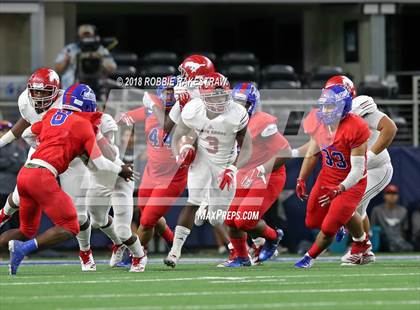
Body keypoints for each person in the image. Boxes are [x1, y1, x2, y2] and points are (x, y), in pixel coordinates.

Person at [2, 88, 134, 275]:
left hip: (28, 170)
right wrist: (121, 170)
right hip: (46, 174)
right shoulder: (84, 124)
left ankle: (87, 253)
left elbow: (26, 134)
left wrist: (47, 144)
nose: (39, 98)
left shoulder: (53, 114)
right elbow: (102, 161)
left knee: (26, 229)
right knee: (71, 225)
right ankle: (23, 249)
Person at [164, 72, 252, 268]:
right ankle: (175, 252)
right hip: (202, 159)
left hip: (224, 163)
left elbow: (246, 148)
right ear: (203, 96)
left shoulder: (237, 113)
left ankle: (246, 251)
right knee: (192, 202)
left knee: (217, 219)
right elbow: (177, 136)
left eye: (222, 95)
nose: (219, 100)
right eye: (214, 96)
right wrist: (182, 151)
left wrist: (233, 168)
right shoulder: (193, 110)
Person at [58, 84, 145, 273]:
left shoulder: (103, 121)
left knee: (123, 230)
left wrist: (93, 133)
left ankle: (139, 256)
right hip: (98, 178)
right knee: (96, 221)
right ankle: (118, 244)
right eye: (68, 111)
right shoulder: (65, 122)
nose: (70, 116)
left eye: (75, 112)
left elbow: (110, 156)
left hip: (117, 176)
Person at [294, 85, 373, 268]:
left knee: (329, 227)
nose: (325, 111)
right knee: (312, 221)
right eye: (323, 106)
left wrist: (339, 189)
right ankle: (360, 239)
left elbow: (357, 170)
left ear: (343, 106)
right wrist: (301, 178)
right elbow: (312, 152)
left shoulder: (356, 126)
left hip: (352, 183)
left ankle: (309, 257)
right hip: (327, 177)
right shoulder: (318, 120)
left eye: (330, 106)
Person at [323, 76, 397, 263]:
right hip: (358, 172)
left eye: (337, 91)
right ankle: (366, 250)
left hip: (377, 168)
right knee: (359, 211)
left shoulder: (359, 106)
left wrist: (369, 156)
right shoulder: (330, 114)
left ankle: (360, 248)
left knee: (347, 206)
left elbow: (389, 128)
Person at [219, 83, 290, 267]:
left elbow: (285, 152)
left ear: (252, 105)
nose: (238, 109)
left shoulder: (261, 122)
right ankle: (241, 257)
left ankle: (273, 237)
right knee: (230, 220)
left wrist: (261, 170)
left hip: (269, 174)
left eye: (243, 104)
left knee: (244, 219)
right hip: (245, 171)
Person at [117, 76, 187, 254]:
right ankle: (172, 241)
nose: (170, 94)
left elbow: (166, 126)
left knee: (147, 220)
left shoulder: (187, 112)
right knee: (147, 215)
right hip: (151, 172)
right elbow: (124, 118)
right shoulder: (150, 109)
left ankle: (135, 255)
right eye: (166, 91)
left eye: (173, 90)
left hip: (172, 176)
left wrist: (154, 106)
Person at [0, 68, 63, 229]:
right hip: (41, 148)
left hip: (67, 151)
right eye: (36, 92)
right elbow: (21, 128)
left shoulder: (65, 103)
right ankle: (2, 215)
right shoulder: (25, 102)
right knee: (20, 192)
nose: (40, 97)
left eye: (45, 92)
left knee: (78, 208)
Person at [54, 24, 116, 91]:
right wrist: (67, 60)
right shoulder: (70, 49)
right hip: (72, 89)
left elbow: (112, 69)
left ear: (93, 35)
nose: (86, 37)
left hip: (96, 88)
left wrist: (100, 58)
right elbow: (58, 69)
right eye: (84, 35)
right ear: (79, 36)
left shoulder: (101, 50)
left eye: (88, 35)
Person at [370, 185, 413, 252]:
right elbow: (373, 229)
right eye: (389, 193)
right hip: (383, 241)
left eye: (394, 193)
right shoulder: (377, 210)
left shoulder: (403, 210)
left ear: (398, 196)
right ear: (384, 196)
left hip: (399, 241)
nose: (392, 196)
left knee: (409, 247)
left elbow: (405, 230)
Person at [0, 121, 27, 224]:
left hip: (14, 190)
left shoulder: (19, 148)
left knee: (16, 222)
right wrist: (12, 161)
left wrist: (5, 163)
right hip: (0, 190)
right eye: (2, 131)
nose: (5, 133)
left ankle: (14, 240)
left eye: (8, 131)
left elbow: (22, 165)